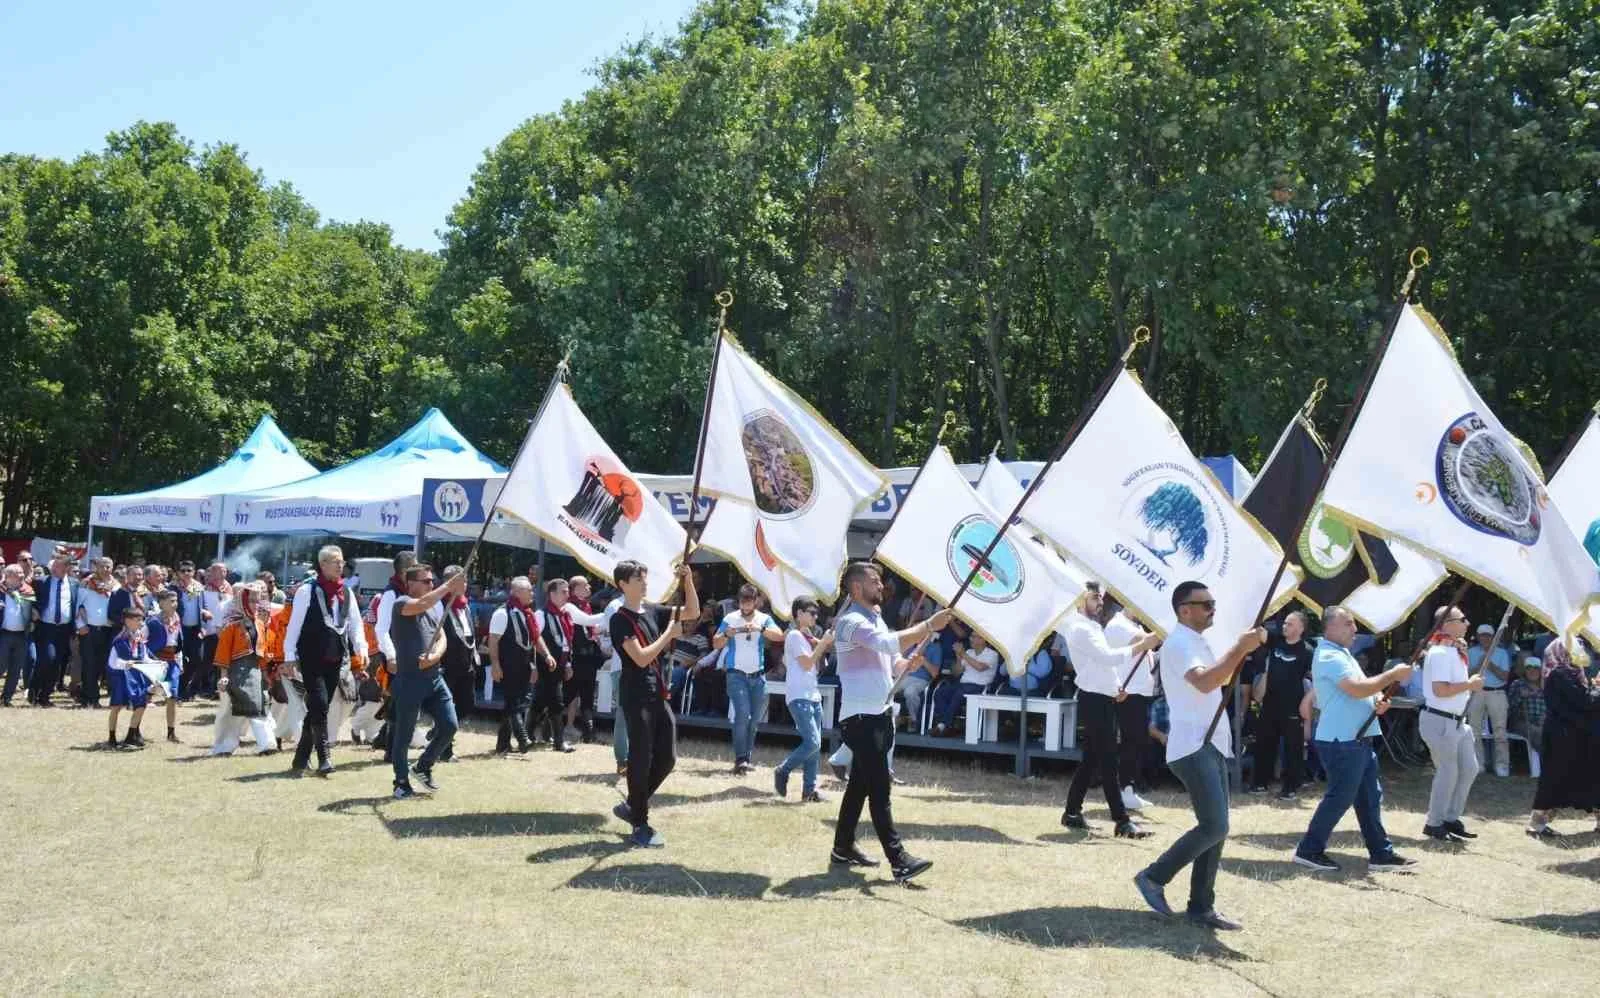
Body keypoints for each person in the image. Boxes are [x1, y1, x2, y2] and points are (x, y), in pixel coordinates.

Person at [1133, 581, 1265, 931]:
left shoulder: (1197, 641)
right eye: (1205, 604)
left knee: (1216, 829)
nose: (1212, 609)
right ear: (1184, 610)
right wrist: (1240, 646)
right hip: (1192, 745)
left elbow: (1215, 680)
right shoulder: (1179, 643)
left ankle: (1201, 908)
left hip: (1209, 742)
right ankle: (1153, 877)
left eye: (1213, 603)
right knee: (1215, 825)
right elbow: (1206, 683)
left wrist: (1241, 651)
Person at [829, 561, 950, 882]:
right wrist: (928, 626)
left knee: (860, 786)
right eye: (874, 581)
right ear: (856, 588)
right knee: (879, 789)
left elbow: (888, 659)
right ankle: (899, 860)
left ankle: (842, 847)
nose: (881, 586)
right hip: (860, 718)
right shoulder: (850, 622)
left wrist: (902, 665)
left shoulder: (876, 619)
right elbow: (885, 644)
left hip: (877, 714)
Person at [1292, 606, 1416, 872]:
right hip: (1342, 740)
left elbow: (1358, 693)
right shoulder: (1328, 655)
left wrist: (1377, 702)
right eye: (1348, 623)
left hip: (1356, 739)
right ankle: (1309, 850)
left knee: (1369, 797)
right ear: (1329, 628)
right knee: (1341, 797)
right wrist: (1391, 675)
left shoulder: (1342, 654)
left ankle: (1381, 854)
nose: (1354, 629)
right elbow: (1356, 689)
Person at [609, 562, 699, 848]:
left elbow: (692, 612)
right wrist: (668, 636)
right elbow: (640, 658)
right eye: (638, 578)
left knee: (667, 757)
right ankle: (640, 823)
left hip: (657, 694)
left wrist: (687, 582)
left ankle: (633, 806)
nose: (644, 583)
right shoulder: (619, 619)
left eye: (645, 577)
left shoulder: (653, 610)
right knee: (640, 758)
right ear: (623, 584)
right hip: (636, 697)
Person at [1060, 583, 1161, 837]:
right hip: (1094, 699)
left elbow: (1100, 666)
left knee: (1091, 759)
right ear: (1080, 601)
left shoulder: (1090, 627)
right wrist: (1144, 643)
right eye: (1095, 597)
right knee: (1106, 760)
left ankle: (1072, 812)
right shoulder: (1082, 628)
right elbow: (1108, 658)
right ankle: (1122, 820)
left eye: (1101, 597)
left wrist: (1116, 686)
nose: (1100, 602)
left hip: (1100, 697)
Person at [282, 545, 367, 776]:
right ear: (323, 565)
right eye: (334, 561)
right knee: (319, 703)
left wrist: (362, 649)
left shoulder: (346, 592)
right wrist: (289, 655)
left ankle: (300, 759)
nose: (340, 565)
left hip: (335, 657)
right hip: (311, 657)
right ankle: (324, 757)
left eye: (341, 561)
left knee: (319, 708)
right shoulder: (307, 591)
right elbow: (294, 625)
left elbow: (355, 624)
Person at [388, 564, 464, 799]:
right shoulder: (401, 603)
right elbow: (421, 605)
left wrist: (435, 656)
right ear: (411, 583)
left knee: (450, 725)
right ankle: (401, 783)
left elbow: (441, 636)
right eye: (427, 581)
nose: (431, 584)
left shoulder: (435, 605)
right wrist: (447, 587)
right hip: (409, 680)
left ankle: (423, 766)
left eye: (433, 581)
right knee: (404, 735)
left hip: (434, 678)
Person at [1417, 605, 1482, 842]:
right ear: (1447, 624)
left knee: (1469, 768)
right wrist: (1469, 685)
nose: (1467, 623)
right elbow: (1440, 690)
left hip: (1457, 721)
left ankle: (1450, 818)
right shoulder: (1441, 653)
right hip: (1439, 720)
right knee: (1448, 771)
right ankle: (1434, 823)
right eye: (1462, 619)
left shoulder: (1455, 651)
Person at [1526, 640, 1600, 837]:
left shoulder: (1572, 672)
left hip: (1577, 735)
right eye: (1576, 649)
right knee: (1554, 778)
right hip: (1563, 736)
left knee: (1592, 776)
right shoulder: (1560, 673)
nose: (1581, 652)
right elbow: (1585, 701)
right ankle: (1537, 824)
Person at [714, 583, 782, 774]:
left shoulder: (764, 619)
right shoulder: (731, 618)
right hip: (736, 674)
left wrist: (759, 629)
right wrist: (727, 634)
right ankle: (740, 759)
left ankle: (747, 757)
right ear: (739, 601)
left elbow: (778, 636)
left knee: (754, 720)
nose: (745, 605)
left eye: (749, 601)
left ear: (756, 601)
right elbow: (716, 642)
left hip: (758, 676)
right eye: (742, 601)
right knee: (742, 714)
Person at [1247, 611, 1314, 800]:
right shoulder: (1276, 642)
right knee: (1264, 744)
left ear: (1301, 628)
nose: (1285, 626)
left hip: (1293, 706)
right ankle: (1259, 783)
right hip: (1269, 704)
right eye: (1285, 623)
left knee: (1293, 748)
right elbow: (1258, 632)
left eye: (1290, 624)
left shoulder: (1307, 651)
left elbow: (1317, 679)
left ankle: (1290, 787)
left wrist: (1307, 701)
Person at [774, 597, 834, 802]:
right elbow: (808, 663)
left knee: (814, 748)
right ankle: (783, 770)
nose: (815, 617)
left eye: (817, 613)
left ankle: (809, 791)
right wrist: (823, 642)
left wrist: (824, 641)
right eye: (811, 612)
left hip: (812, 694)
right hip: (799, 694)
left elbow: (824, 653)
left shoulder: (807, 637)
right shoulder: (793, 635)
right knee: (813, 743)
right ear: (798, 613)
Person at [210, 583, 277, 757]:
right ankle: (224, 747)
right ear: (243, 602)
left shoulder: (260, 624)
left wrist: (265, 674)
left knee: (258, 707)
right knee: (231, 711)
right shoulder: (231, 626)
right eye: (252, 601)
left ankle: (266, 745)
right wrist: (223, 676)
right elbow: (223, 653)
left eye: (257, 601)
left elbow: (261, 652)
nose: (256, 604)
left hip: (255, 671)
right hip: (236, 671)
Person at [487, 577, 552, 754]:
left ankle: (503, 744)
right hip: (507, 665)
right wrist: (495, 665)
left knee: (517, 702)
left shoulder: (527, 614)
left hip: (524, 665)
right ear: (516, 592)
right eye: (528, 590)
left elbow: (536, 639)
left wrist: (545, 656)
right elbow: (493, 641)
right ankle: (523, 739)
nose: (532, 593)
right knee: (513, 703)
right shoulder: (502, 613)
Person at [1103, 599, 1157, 811]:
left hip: (1139, 691)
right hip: (1127, 692)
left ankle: (1129, 788)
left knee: (1136, 741)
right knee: (1130, 741)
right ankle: (1124, 789)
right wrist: (1165, 625)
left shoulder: (1136, 625)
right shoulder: (1118, 625)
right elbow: (1146, 641)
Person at [929, 631, 1003, 736]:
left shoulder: (992, 654)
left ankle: (942, 725)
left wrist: (963, 654)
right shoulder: (969, 652)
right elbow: (956, 672)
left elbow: (980, 667)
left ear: (983, 640)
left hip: (980, 687)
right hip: (963, 684)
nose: (970, 639)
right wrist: (958, 657)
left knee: (959, 693)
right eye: (971, 636)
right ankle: (948, 725)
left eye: (974, 637)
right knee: (940, 693)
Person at [436, 564, 478, 748]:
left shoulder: (465, 605)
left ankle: (439, 732)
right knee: (448, 705)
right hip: (447, 662)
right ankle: (446, 746)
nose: (466, 584)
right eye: (462, 580)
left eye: (466, 580)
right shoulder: (439, 604)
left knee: (467, 703)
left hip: (466, 662)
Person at [105, 605, 156, 748]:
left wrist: (157, 663)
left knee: (141, 704)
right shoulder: (119, 640)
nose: (141, 623)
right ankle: (112, 738)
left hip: (136, 677)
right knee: (116, 707)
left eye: (142, 620)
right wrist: (125, 664)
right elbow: (112, 662)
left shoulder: (139, 639)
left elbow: (145, 658)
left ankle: (130, 736)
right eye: (138, 620)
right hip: (121, 677)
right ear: (128, 621)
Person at [1467, 620, 1513, 777]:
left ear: (1493, 637)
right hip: (1477, 692)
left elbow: (1505, 677)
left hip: (1497, 692)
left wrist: (1490, 664)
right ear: (1478, 637)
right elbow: (1466, 675)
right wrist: (1480, 664)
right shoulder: (1471, 652)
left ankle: (1502, 765)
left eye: (1488, 636)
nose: (1485, 638)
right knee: (1474, 730)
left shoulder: (1501, 653)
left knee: (1500, 731)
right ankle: (1478, 764)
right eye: (1482, 636)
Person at [31, 556, 78, 707]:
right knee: (47, 659)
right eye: (54, 565)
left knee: (57, 663)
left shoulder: (74, 584)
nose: (53, 568)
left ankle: (45, 696)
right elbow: (30, 597)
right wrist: (33, 610)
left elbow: (75, 604)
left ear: (66, 568)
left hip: (64, 629)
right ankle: (34, 691)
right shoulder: (41, 582)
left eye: (58, 566)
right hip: (46, 627)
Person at [563, 575, 605, 743]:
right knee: (569, 694)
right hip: (575, 657)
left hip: (588, 657)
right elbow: (586, 621)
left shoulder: (586, 605)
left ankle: (589, 733)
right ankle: (547, 726)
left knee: (587, 696)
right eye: (585, 586)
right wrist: (609, 613)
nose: (589, 588)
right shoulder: (569, 606)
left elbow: (591, 628)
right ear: (575, 589)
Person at [536, 578, 577, 752]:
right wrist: (533, 667)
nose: (567, 594)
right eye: (563, 591)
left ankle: (532, 733)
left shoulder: (564, 615)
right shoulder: (541, 614)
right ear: (552, 594)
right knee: (556, 702)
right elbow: (535, 641)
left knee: (540, 702)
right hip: (545, 666)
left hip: (559, 666)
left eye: (568, 591)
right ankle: (559, 742)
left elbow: (565, 643)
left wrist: (567, 663)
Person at [77, 556, 120, 707]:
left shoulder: (116, 586)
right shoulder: (87, 583)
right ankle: (90, 698)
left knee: (102, 664)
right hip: (89, 629)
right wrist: (80, 625)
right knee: (89, 663)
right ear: (96, 567)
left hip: (108, 630)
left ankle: (90, 695)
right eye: (102, 566)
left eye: (109, 566)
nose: (106, 569)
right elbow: (78, 605)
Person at [146, 590, 184, 742]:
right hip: (157, 660)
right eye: (171, 601)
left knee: (172, 696)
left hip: (172, 660)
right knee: (147, 694)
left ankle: (171, 732)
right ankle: (134, 730)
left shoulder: (176, 617)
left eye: (176, 601)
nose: (175, 604)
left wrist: (180, 658)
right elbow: (144, 642)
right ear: (161, 603)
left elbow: (178, 639)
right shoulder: (153, 621)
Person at [1, 564, 35, 706]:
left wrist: (35, 614)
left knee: (15, 669)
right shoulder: (1, 590)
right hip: (3, 635)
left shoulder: (27, 591)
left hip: (22, 635)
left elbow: (34, 609)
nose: (21, 575)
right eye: (17, 573)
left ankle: (6, 698)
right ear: (8, 576)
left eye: (22, 572)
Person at [172, 561, 207, 700]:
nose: (186, 573)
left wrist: (203, 624)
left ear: (194, 572)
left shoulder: (197, 587)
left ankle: (187, 688)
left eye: (189, 570)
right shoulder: (174, 588)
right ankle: (179, 691)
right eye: (183, 570)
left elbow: (200, 607)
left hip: (195, 629)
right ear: (178, 572)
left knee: (197, 659)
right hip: (179, 629)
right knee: (181, 661)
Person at [1508, 655, 1547, 767]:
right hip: (1521, 721)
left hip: (1543, 721)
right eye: (1529, 668)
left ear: (1540, 670)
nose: (1532, 671)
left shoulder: (1546, 686)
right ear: (1525, 670)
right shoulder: (1517, 684)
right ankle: (1549, 764)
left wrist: (1545, 717)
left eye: (1536, 668)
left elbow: (1553, 707)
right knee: (1538, 733)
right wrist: (1520, 696)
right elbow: (1510, 707)